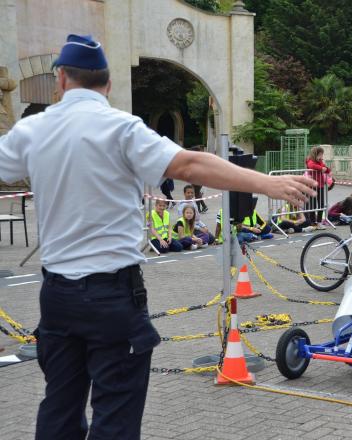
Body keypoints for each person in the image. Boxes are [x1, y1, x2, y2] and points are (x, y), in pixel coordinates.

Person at [0, 34, 315, 440]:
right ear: (108, 84)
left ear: (61, 78)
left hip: (57, 298)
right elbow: (189, 164)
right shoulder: (122, 128)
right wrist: (267, 184)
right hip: (112, 296)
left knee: (59, 410)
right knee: (115, 416)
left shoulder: (33, 130)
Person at [305, 146, 331, 229]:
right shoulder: (310, 160)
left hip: (320, 185)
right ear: (316, 154)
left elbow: (328, 170)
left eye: (322, 154)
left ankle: (319, 222)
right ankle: (312, 222)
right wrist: (321, 168)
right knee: (312, 205)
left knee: (321, 204)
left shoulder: (320, 161)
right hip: (312, 185)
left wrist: (324, 168)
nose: (321, 156)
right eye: (320, 154)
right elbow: (311, 165)